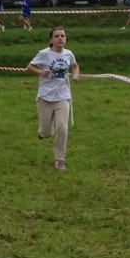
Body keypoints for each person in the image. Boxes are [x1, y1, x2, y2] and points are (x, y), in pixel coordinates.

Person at [28, 26, 80, 170]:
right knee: (46, 132)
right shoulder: (44, 54)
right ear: (51, 40)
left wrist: (75, 74)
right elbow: (29, 67)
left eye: (62, 36)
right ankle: (41, 132)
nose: (60, 38)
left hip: (63, 96)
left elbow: (75, 66)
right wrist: (41, 72)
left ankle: (59, 160)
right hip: (45, 96)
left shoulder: (68, 54)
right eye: (57, 36)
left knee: (62, 128)